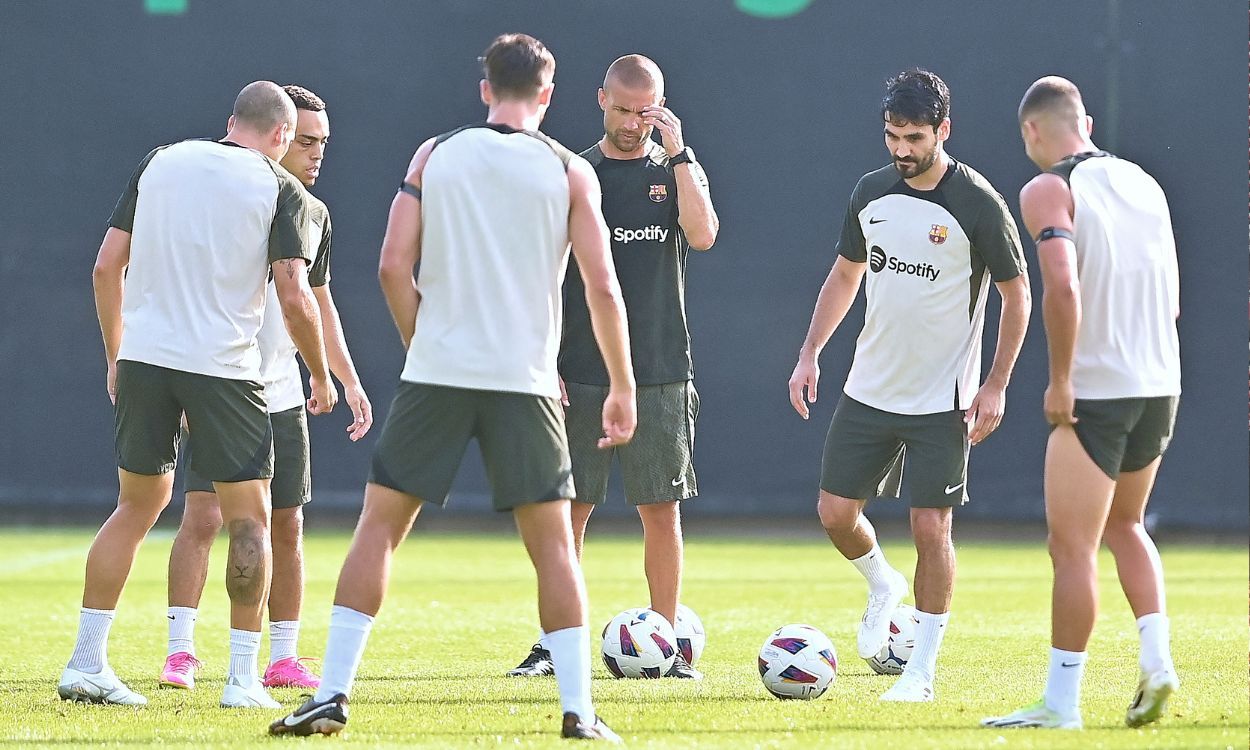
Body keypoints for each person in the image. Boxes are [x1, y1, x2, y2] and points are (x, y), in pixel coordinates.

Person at [269, 34, 635, 740]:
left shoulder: (435, 154)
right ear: (550, 95)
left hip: (437, 373)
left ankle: (334, 694)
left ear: (484, 87)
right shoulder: (567, 170)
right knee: (555, 548)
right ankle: (578, 712)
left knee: (378, 529)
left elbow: (389, 268)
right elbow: (603, 286)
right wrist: (621, 384)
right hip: (525, 383)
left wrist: (423, 344)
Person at [61, 81, 336, 708]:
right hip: (225, 369)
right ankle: (242, 680)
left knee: (137, 506)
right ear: (282, 137)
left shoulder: (160, 160)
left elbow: (107, 266)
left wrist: (115, 354)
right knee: (250, 518)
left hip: (145, 360)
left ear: (231, 121)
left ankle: (85, 662)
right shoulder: (280, 188)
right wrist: (319, 373)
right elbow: (294, 296)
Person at [787, 68, 1030, 702]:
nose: (901, 149)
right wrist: (810, 351)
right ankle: (880, 584)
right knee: (835, 514)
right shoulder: (870, 192)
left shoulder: (978, 201)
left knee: (931, 528)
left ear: (943, 131)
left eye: (914, 137)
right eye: (893, 135)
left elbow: (1017, 295)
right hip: (869, 388)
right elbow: (845, 275)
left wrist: (996, 384)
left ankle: (919, 672)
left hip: (941, 400)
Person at [507, 53, 718, 681]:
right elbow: (539, 273)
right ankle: (556, 642)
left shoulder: (675, 168)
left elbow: (704, 235)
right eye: (624, 109)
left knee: (662, 509)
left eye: (645, 110)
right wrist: (547, 360)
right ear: (601, 99)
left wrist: (679, 154)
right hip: (581, 370)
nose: (634, 123)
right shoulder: (577, 172)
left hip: (659, 368)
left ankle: (668, 641)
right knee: (569, 511)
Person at [159, 84, 372, 695]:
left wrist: (344, 378)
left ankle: (282, 656)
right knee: (203, 516)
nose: (314, 153)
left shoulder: (312, 212)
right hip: (225, 384)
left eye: (323, 143)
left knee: (288, 524)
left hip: (281, 393)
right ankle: (181, 650)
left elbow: (319, 302)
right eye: (304, 140)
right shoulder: (228, 201)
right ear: (277, 134)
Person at [982, 76, 1181, 731]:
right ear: (1085, 121)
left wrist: (1060, 380)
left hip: (1098, 389)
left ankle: (1061, 704)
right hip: (1160, 386)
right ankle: (1158, 661)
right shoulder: (1146, 184)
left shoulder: (1046, 187)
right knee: (1128, 526)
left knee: (1071, 547)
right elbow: (1172, 297)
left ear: (1031, 132)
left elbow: (1060, 288)